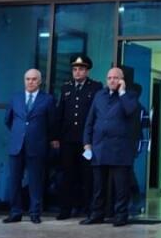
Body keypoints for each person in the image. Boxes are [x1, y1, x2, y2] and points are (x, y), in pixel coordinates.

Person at [81, 66, 140, 226]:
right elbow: (90, 120)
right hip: (99, 147)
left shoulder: (130, 95)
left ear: (122, 80)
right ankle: (97, 214)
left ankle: (121, 215)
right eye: (109, 78)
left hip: (120, 148)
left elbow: (130, 111)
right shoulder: (99, 95)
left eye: (115, 78)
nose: (112, 80)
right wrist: (87, 142)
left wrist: (122, 92)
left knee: (120, 186)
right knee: (98, 186)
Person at [3, 68, 57, 224]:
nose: (30, 82)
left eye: (34, 79)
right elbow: (8, 120)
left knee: (35, 181)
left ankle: (35, 212)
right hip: (17, 145)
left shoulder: (48, 99)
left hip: (37, 145)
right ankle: (15, 212)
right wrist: (19, 134)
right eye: (28, 79)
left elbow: (52, 123)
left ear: (40, 81)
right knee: (15, 180)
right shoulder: (16, 98)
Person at [55, 54, 102, 219]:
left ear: (87, 71)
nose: (77, 72)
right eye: (75, 69)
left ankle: (88, 209)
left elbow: (97, 114)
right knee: (67, 175)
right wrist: (55, 136)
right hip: (68, 139)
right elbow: (60, 113)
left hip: (86, 141)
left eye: (81, 69)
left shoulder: (95, 87)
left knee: (87, 176)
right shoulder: (66, 87)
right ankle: (66, 209)